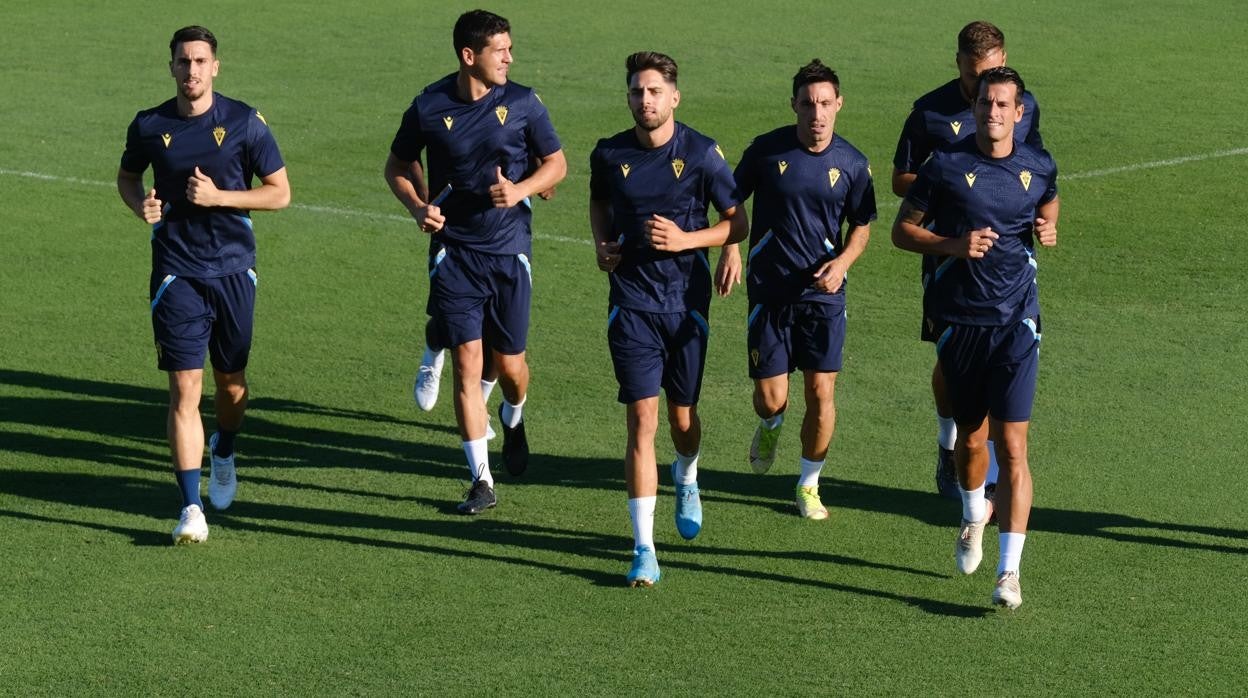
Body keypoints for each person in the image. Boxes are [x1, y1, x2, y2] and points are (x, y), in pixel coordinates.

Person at [384, 9, 566, 515]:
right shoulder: (429, 105)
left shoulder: (525, 103)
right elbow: (397, 164)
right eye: (500, 50)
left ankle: (513, 413)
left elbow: (557, 163)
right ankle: (481, 481)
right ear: (470, 56)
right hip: (455, 252)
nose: (510, 57)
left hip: (509, 250)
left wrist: (522, 190)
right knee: (467, 364)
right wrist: (419, 206)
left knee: (509, 366)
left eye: (510, 48)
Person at [892, 66, 1059, 608]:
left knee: (1012, 446)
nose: (992, 112)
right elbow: (902, 232)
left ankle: (1009, 573)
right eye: (985, 103)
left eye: (1002, 104)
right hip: (962, 322)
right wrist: (954, 245)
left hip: (1017, 323)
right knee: (971, 440)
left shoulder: (1038, 165)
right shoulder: (945, 167)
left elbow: (1048, 202)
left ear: (1018, 112)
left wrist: (1049, 227)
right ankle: (972, 514)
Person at [116, 25, 291, 544]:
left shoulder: (244, 122)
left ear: (215, 67)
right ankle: (191, 507)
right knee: (184, 388)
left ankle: (226, 447)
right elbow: (128, 178)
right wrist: (139, 205)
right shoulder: (149, 125)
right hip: (176, 272)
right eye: (182, 61)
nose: (190, 70)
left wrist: (221, 198)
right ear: (169, 66)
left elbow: (280, 194)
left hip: (234, 269)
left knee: (231, 387)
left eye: (200, 61)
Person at [589, 51, 748, 587]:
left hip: (684, 306)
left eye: (655, 91)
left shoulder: (701, 154)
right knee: (642, 422)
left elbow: (737, 221)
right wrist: (601, 244)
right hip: (631, 304)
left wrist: (689, 241)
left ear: (674, 97)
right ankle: (643, 549)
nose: (645, 100)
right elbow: (599, 202)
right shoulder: (609, 154)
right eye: (637, 91)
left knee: (682, 419)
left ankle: (688, 474)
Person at [891, 21, 1042, 501]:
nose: (985, 88)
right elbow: (901, 180)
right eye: (977, 76)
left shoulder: (1023, 104)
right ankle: (948, 439)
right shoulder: (928, 113)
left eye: (993, 73)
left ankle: (991, 479)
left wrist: (1041, 217)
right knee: (950, 357)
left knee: (1006, 361)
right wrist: (949, 184)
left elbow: (1035, 164)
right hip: (947, 252)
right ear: (958, 63)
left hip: (1009, 258)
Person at [728, 59, 875, 519]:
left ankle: (809, 484)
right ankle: (771, 424)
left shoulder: (852, 164)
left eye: (826, 104)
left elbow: (863, 225)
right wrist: (731, 250)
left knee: (821, 392)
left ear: (839, 105)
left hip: (823, 296)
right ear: (794, 105)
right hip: (770, 290)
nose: (817, 114)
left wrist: (844, 263)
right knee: (771, 398)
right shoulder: (767, 152)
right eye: (808, 104)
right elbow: (732, 203)